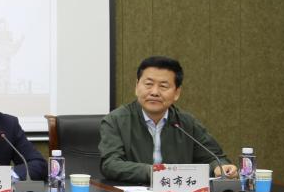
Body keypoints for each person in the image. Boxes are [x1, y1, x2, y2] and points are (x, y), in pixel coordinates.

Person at [99, 56, 235, 184]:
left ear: (177, 93)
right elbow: (110, 165)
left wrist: (221, 167)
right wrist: (155, 172)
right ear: (136, 86)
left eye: (163, 86)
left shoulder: (186, 123)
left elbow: (214, 158)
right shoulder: (115, 121)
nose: (154, 92)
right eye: (148, 84)